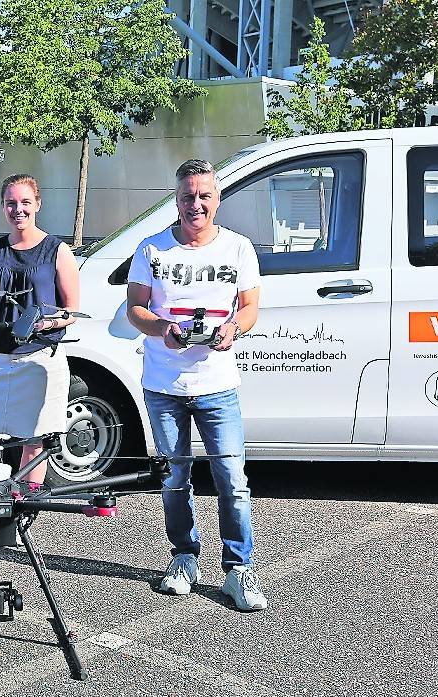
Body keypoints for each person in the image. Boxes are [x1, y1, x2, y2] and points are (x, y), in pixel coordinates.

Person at [125, 158, 267, 611]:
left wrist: (233, 330)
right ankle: (184, 559)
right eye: (187, 196)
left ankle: (238, 570)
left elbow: (248, 309)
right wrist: (162, 329)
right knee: (174, 479)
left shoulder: (239, 249)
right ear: (177, 198)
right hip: (164, 384)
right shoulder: (152, 249)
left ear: (217, 198)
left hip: (218, 383)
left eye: (204, 195)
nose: (196, 204)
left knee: (232, 478)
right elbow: (136, 309)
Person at [0, 174, 80, 486]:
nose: (18, 209)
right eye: (11, 203)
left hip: (40, 360)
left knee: (34, 441)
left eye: (25, 202)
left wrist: (49, 323)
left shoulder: (57, 250)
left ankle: (24, 508)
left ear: (37, 204)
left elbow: (72, 311)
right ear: (3, 207)